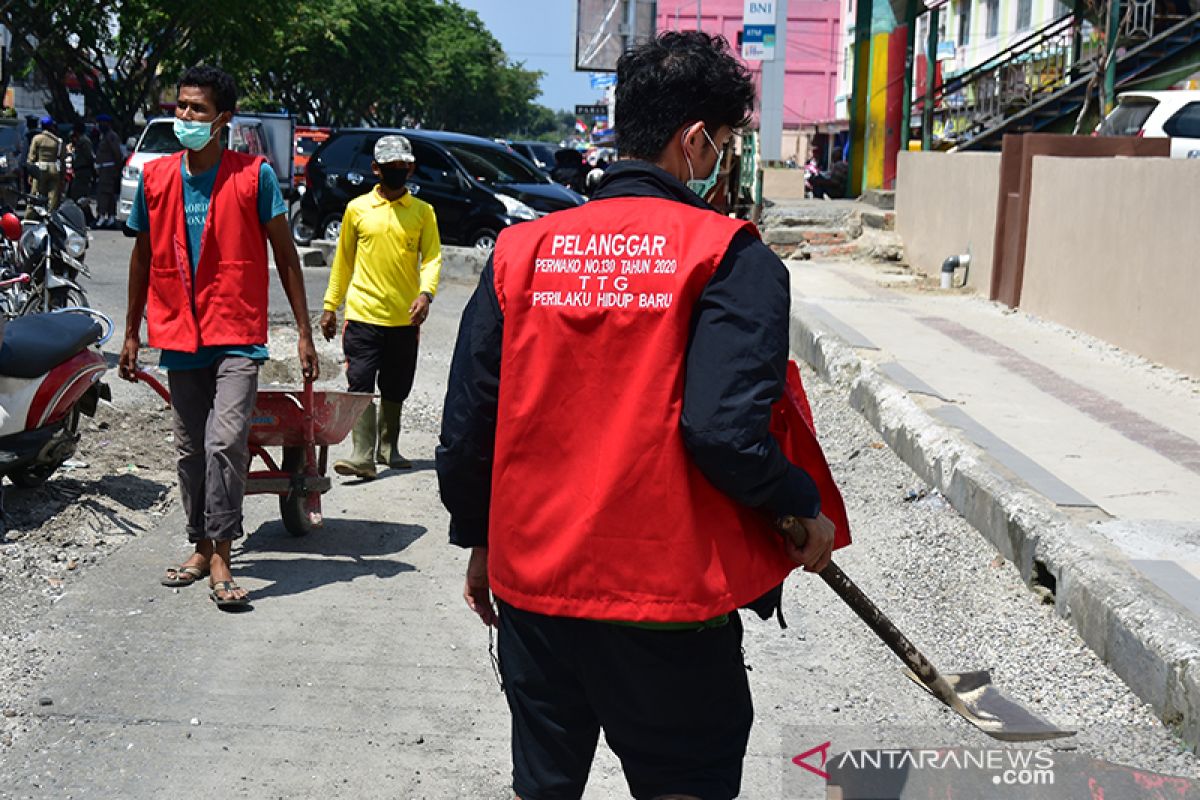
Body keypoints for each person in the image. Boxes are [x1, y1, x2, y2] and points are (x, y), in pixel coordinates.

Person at [436, 31, 836, 800]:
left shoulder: (522, 251)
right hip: (666, 606)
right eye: (723, 142)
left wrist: (482, 538)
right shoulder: (728, 255)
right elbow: (724, 433)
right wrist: (798, 504)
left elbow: (466, 433)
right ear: (694, 141)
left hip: (537, 595)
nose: (722, 159)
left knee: (544, 786)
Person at [117, 65, 318, 610]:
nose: (185, 116)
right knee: (189, 450)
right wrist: (132, 334)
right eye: (181, 105)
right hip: (180, 333)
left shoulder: (254, 176)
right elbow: (141, 257)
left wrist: (303, 332)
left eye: (197, 109)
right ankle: (200, 545)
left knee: (224, 441)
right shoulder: (157, 178)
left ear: (222, 120)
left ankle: (224, 553)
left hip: (237, 332)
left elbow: (286, 256)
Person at [319, 135, 441, 480]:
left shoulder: (422, 213)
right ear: (376, 169)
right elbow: (342, 262)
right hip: (362, 315)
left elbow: (432, 258)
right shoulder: (357, 210)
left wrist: (426, 294)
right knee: (359, 382)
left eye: (403, 167)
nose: (397, 172)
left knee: (396, 384)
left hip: (404, 318)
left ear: (411, 169)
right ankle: (361, 455)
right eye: (390, 168)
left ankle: (389, 448)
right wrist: (331, 306)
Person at [25, 117, 63, 217]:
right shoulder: (57, 141)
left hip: (40, 169)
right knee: (53, 195)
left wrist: (30, 173)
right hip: (54, 168)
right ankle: (51, 215)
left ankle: (30, 215)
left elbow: (31, 157)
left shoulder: (37, 138)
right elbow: (62, 158)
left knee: (35, 194)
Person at [94, 114, 123, 228]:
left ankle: (102, 216)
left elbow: (117, 153)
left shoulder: (111, 136)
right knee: (109, 194)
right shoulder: (104, 136)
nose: (100, 125)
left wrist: (117, 168)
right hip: (104, 168)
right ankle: (110, 217)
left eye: (101, 123)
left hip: (108, 169)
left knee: (104, 193)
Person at [67, 124, 96, 206]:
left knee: (79, 194)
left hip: (83, 170)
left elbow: (89, 156)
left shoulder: (84, 141)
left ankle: (86, 214)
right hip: (79, 170)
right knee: (76, 193)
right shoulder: (79, 140)